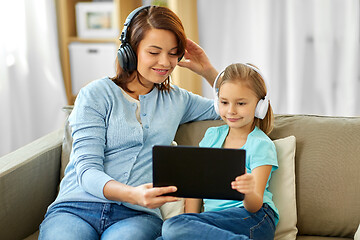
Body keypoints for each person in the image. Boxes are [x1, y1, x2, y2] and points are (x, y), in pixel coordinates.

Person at [39, 5, 219, 240]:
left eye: (173, 53)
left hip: (136, 216)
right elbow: (87, 171)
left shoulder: (178, 100)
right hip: (76, 208)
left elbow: (248, 108)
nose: (165, 62)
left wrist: (207, 70)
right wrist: (133, 194)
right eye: (154, 52)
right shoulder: (95, 94)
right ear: (130, 52)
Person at [159, 63, 279, 240]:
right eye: (224, 102)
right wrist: (190, 221)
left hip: (254, 218)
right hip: (214, 222)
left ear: (260, 105)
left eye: (241, 103)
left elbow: (255, 205)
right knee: (170, 232)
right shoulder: (212, 136)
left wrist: (248, 190)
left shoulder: (261, 144)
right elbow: (196, 187)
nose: (231, 110)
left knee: (172, 227)